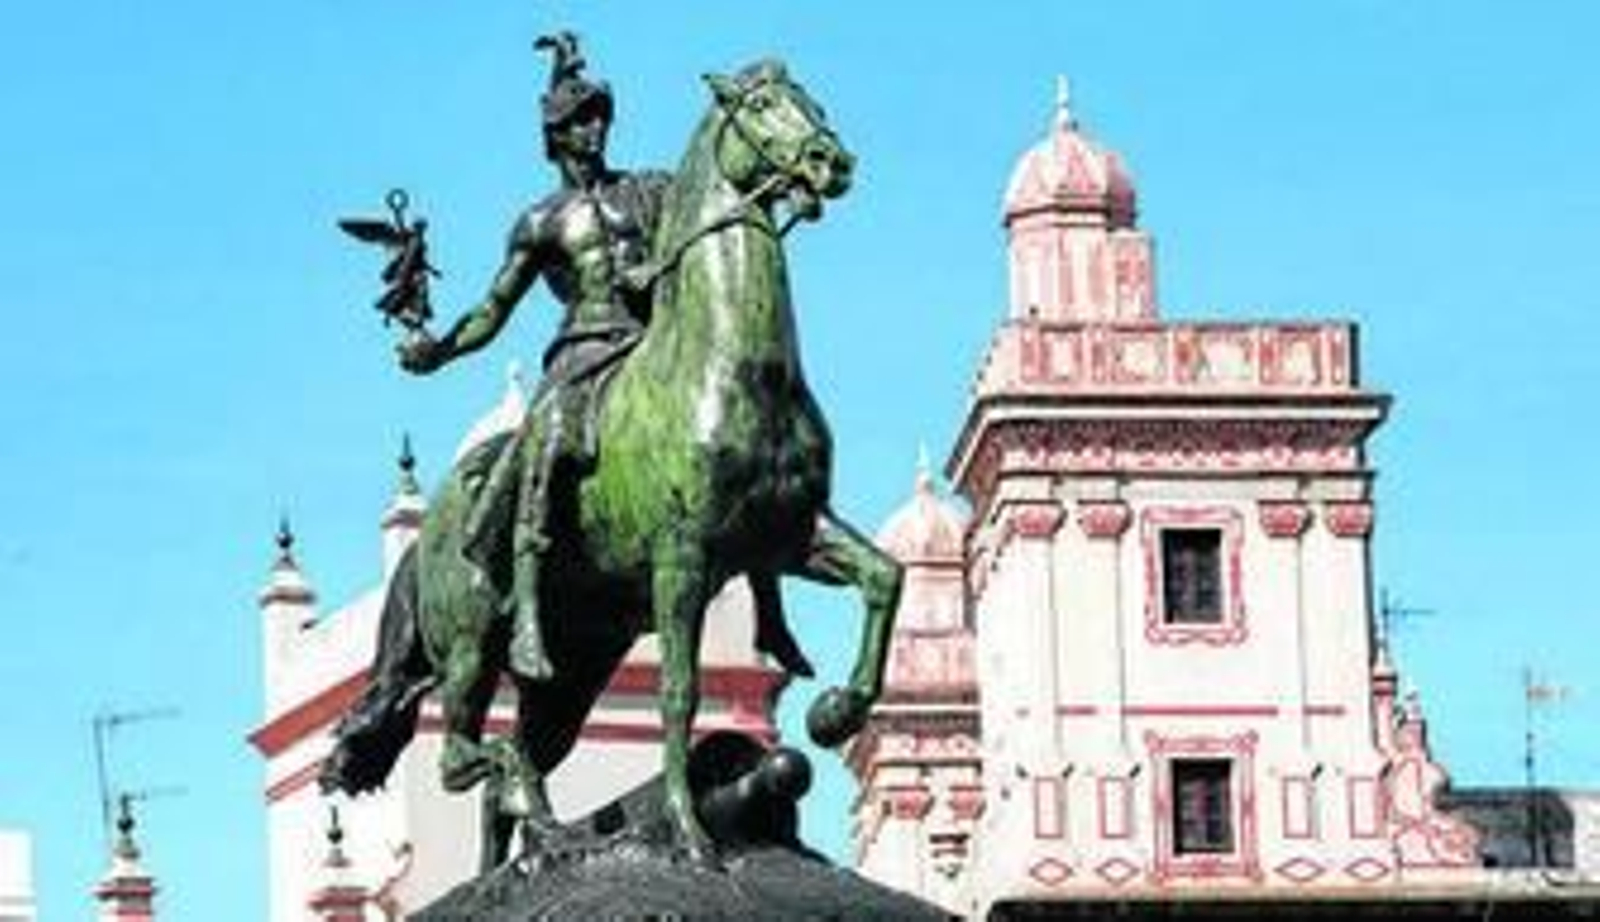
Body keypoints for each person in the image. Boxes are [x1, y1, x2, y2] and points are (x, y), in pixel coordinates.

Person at [397, 32, 670, 681]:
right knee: (544, 437)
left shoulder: (648, 190)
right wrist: (438, 351)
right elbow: (493, 311)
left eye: (600, 115)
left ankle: (765, 602)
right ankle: (523, 609)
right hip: (585, 347)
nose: (594, 128)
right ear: (556, 137)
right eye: (579, 120)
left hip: (653, 340)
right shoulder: (541, 221)